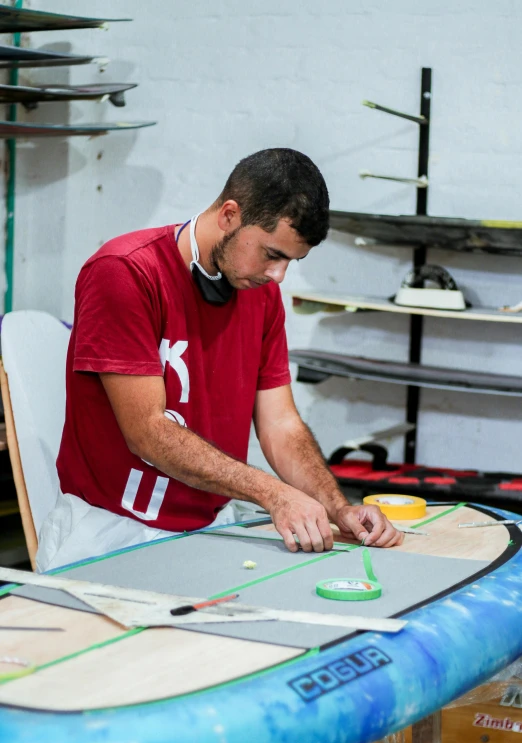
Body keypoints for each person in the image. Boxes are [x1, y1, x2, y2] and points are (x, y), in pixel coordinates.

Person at [36, 148, 402, 572]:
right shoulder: (124, 272)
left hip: (210, 527)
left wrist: (339, 509)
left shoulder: (260, 294)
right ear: (229, 215)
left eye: (292, 261)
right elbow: (148, 433)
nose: (279, 276)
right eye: (272, 254)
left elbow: (280, 425)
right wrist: (274, 493)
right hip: (113, 533)